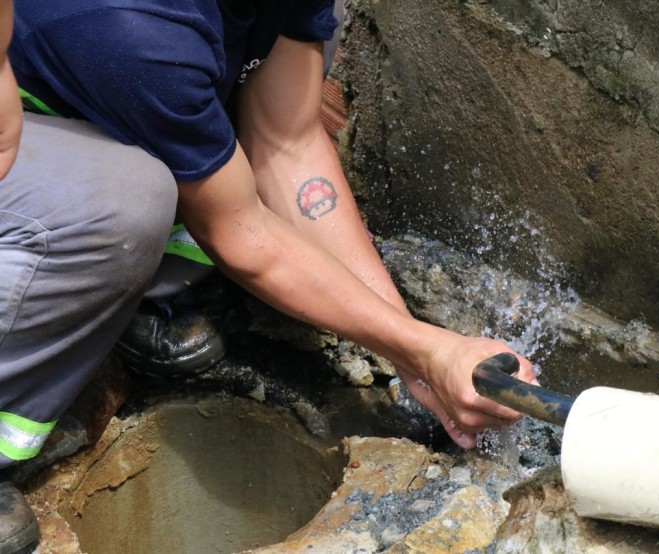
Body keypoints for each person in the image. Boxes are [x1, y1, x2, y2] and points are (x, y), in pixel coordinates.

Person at [0, 1, 537, 551]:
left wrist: (411, 350)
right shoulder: (127, 30)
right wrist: (429, 352)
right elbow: (239, 229)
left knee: (283, 55)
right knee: (127, 202)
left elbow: (289, 141)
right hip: (29, 128)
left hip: (115, 80)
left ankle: (136, 295)